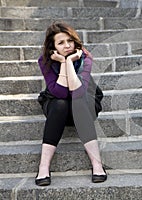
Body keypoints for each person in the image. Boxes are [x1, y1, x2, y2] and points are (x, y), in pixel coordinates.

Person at [35, 21, 107, 186]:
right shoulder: (45, 60)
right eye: (61, 43)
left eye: (70, 41)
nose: (67, 46)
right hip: (57, 106)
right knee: (61, 103)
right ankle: (43, 167)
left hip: (84, 104)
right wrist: (62, 63)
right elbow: (59, 92)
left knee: (79, 102)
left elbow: (78, 92)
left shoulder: (85, 58)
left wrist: (68, 62)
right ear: (52, 47)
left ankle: (97, 164)